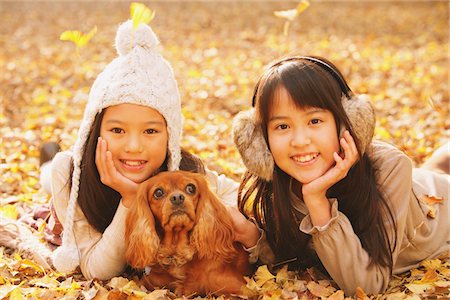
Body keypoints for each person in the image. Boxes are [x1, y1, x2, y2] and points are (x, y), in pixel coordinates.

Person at [231, 56, 450, 295]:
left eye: (315, 120)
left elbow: (368, 285)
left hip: (439, 205)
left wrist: (317, 202)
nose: (300, 141)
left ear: (349, 124)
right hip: (421, 182)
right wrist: (253, 237)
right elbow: (295, 257)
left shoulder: (390, 166)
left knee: (439, 173)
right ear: (261, 142)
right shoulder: (278, 176)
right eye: (282, 126)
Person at [50, 20, 243, 280]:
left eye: (150, 131)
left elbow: (238, 197)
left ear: (169, 137)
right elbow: (98, 270)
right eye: (117, 131)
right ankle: (47, 156)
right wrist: (131, 201)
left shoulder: (184, 173)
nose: (133, 147)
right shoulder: (71, 173)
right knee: (48, 175)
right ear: (95, 130)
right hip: (65, 190)